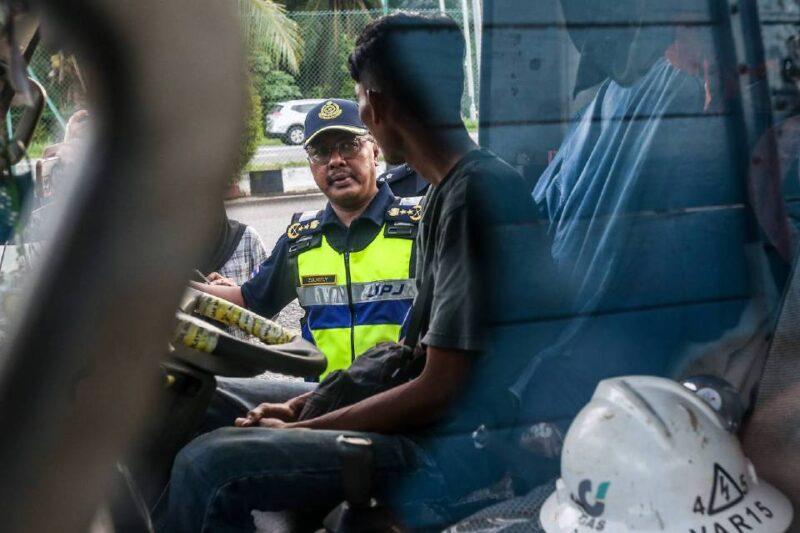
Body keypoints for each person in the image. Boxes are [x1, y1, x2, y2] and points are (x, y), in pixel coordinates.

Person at [157, 13, 539, 532]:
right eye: (322, 152)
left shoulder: (471, 197)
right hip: (399, 406)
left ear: (375, 110)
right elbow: (403, 361)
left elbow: (439, 387)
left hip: (445, 445)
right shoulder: (448, 193)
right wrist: (301, 405)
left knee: (207, 465)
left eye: (359, 104)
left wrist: (305, 426)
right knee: (192, 403)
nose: (336, 160)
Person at [194, 98, 421, 377]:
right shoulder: (302, 239)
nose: (335, 161)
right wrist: (181, 291)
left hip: (402, 404)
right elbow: (249, 300)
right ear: (311, 166)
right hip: (320, 407)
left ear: (374, 150)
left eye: (349, 146)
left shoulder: (417, 226)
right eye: (321, 152)